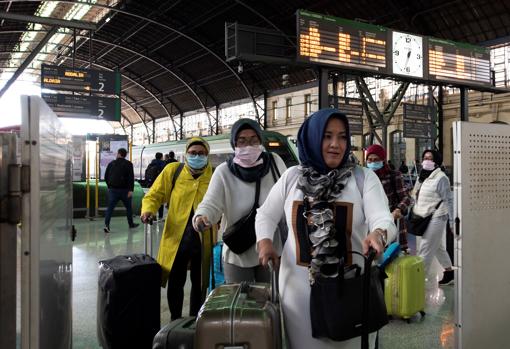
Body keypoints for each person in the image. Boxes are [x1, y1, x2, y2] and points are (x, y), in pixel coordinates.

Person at [256, 109, 397, 349]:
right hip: (297, 296)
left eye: (342, 137)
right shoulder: (292, 178)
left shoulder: (363, 179)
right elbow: (265, 214)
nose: (335, 144)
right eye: (327, 136)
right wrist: (265, 242)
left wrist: (379, 233)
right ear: (312, 138)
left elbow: (382, 217)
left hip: (350, 293)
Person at [193, 118, 287, 283]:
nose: (248, 146)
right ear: (234, 144)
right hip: (238, 253)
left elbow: (288, 195)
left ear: (260, 140)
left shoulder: (274, 163)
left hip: (271, 247)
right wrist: (202, 216)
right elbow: (211, 202)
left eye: (253, 140)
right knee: (240, 303)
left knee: (270, 302)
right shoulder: (224, 172)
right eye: (242, 141)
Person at [141, 137, 215, 320]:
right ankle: (175, 319)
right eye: (193, 153)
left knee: (200, 283)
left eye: (201, 153)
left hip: (203, 239)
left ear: (207, 155)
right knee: (176, 282)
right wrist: (148, 210)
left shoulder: (213, 175)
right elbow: (155, 194)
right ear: (186, 154)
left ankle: (195, 319)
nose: (197, 156)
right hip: (177, 238)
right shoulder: (173, 171)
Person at [412, 149, 454, 285]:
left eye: (430, 158)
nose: (427, 161)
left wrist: (452, 222)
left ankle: (416, 283)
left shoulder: (441, 177)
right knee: (437, 246)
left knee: (426, 247)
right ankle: (449, 272)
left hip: (437, 216)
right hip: (424, 214)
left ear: (436, 161)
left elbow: (448, 200)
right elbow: (415, 193)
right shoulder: (422, 176)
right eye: (425, 158)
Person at [366, 145, 413, 250]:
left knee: (393, 258)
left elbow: (406, 197)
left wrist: (399, 209)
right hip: (370, 225)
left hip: (392, 222)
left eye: (376, 160)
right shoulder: (365, 177)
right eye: (369, 160)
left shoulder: (393, 175)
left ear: (383, 160)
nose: (372, 162)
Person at [103, 148, 139, 233]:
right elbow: (131, 178)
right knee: (129, 208)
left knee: (110, 209)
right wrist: (131, 190)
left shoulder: (111, 163)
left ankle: (106, 225)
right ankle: (131, 224)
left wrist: (109, 186)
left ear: (118, 154)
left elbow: (106, 176)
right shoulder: (129, 164)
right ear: (125, 155)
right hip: (125, 191)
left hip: (113, 190)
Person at [145, 152, 167, 219]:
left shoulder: (151, 164)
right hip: (160, 184)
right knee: (160, 200)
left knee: (152, 199)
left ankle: (153, 215)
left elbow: (146, 173)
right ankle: (160, 215)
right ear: (161, 157)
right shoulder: (163, 164)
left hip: (152, 184)